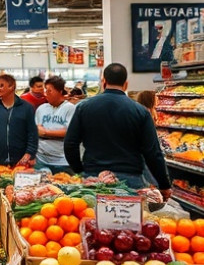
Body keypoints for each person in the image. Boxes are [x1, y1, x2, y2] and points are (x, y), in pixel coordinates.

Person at [64, 63, 171, 197]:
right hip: (130, 179)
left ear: (104, 82)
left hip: (94, 178)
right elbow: (153, 152)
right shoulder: (140, 111)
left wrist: (80, 170)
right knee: (129, 216)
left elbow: (70, 144)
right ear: (126, 84)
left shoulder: (83, 108)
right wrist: (164, 184)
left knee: (93, 217)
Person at [0, 74, 38, 168]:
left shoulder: (27, 108)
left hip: (21, 160)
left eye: (1, 85)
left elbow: (32, 134)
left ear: (11, 86)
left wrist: (30, 153)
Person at [35, 76, 75, 174]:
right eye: (46, 91)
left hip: (63, 161)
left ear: (60, 91)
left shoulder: (70, 108)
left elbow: (69, 132)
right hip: (41, 160)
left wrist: (45, 132)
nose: (46, 94)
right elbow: (36, 129)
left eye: (50, 91)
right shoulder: (41, 108)